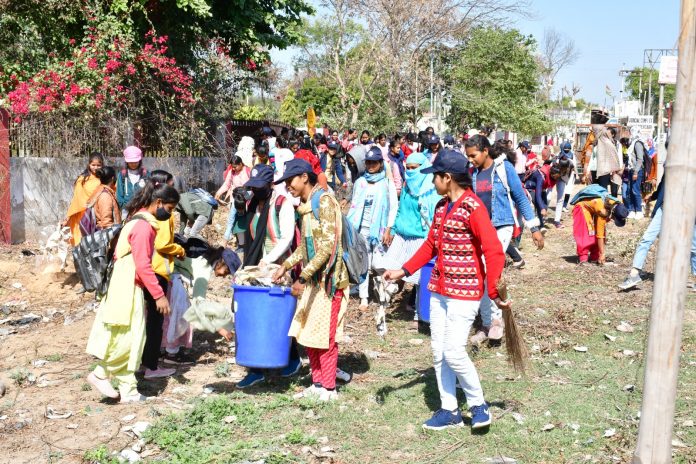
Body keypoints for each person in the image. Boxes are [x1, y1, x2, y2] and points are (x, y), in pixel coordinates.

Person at [382, 149, 507, 431]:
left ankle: (478, 405)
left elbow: (493, 250)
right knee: (438, 350)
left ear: (447, 178)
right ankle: (449, 409)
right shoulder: (441, 207)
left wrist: (495, 290)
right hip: (439, 289)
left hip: (465, 291)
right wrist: (402, 270)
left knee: (453, 351)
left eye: (435, 177)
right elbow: (430, 246)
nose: (432, 182)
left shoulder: (473, 208)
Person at [86, 180, 180, 403]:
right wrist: (158, 295)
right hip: (126, 286)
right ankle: (100, 373)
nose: (169, 214)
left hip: (126, 283)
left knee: (131, 335)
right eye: (169, 209)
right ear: (158, 202)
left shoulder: (136, 219)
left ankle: (128, 392)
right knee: (128, 336)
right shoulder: (143, 227)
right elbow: (143, 264)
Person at [272, 159, 350, 402]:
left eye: (290, 181)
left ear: (305, 177)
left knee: (325, 337)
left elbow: (327, 246)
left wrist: (303, 277)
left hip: (329, 281)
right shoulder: (306, 206)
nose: (288, 187)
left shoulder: (324, 201)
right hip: (313, 280)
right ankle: (317, 384)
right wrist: (286, 265)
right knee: (308, 334)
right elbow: (306, 251)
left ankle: (329, 388)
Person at [465, 136, 543, 342]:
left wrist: (534, 227)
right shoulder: (472, 173)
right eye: (468, 156)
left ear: (485, 151)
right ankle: (486, 322)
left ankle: (496, 321)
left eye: (473, 155)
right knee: (480, 273)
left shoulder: (503, 168)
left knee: (491, 270)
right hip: (480, 229)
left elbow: (520, 197)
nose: (470, 160)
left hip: (502, 225)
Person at [234, 164, 303, 388]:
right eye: (252, 187)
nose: (255, 191)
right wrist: (239, 210)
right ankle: (256, 367)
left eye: (259, 187)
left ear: (270, 184)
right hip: (257, 267)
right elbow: (245, 234)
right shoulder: (253, 203)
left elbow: (286, 237)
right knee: (255, 315)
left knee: (279, 316)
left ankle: (289, 358)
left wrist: (270, 260)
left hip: (279, 267)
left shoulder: (282, 204)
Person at [380, 152, 441, 326]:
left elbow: (433, 214)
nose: (411, 172)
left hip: (421, 236)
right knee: (391, 268)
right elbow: (400, 208)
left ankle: (418, 313)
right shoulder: (407, 186)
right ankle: (386, 304)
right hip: (402, 234)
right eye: (408, 168)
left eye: (415, 168)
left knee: (419, 278)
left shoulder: (431, 189)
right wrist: (393, 228)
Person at [144, 171, 190, 371]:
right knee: (156, 320)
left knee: (150, 319)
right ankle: (152, 365)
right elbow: (163, 243)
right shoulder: (163, 216)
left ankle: (147, 361)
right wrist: (179, 249)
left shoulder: (145, 211)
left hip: (152, 268)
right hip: (158, 270)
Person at [619, 172, 696, 290]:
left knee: (693, 248)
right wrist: (653, 196)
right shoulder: (670, 161)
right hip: (664, 207)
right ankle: (634, 274)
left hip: (687, 209)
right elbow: (663, 184)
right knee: (646, 239)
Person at [347, 147, 398, 312]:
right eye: (368, 162)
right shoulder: (360, 182)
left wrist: (389, 228)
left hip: (380, 230)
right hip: (361, 229)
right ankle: (364, 297)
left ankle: (384, 292)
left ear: (380, 163)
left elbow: (393, 208)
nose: (371, 165)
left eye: (374, 162)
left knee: (379, 264)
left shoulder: (386, 183)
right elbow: (354, 206)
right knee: (363, 263)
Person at [572, 186, 628, 264]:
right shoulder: (603, 211)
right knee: (587, 232)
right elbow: (600, 234)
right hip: (582, 207)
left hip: (594, 208)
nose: (613, 220)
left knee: (597, 231)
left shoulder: (617, 203)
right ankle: (583, 257)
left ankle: (595, 255)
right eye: (614, 219)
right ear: (613, 214)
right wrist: (602, 253)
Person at [63, 152, 104, 245]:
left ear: (102, 165)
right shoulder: (82, 179)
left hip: (99, 213)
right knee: (81, 240)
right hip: (82, 214)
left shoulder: (104, 178)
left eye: (99, 165)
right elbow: (77, 198)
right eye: (93, 165)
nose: (96, 167)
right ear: (89, 164)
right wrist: (68, 217)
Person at [216, 155, 251, 242]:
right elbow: (227, 184)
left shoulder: (248, 171)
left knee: (248, 220)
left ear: (240, 164)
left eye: (235, 167)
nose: (234, 169)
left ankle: (247, 242)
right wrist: (219, 193)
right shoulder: (232, 172)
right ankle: (227, 239)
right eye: (233, 167)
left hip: (247, 200)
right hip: (235, 199)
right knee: (231, 219)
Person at [87, 166, 122, 230]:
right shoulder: (105, 196)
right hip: (108, 234)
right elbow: (106, 223)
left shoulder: (100, 190)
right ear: (112, 178)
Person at [551, 142, 576, 228]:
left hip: (562, 179)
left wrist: (569, 162)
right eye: (565, 151)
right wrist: (556, 161)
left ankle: (557, 221)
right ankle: (541, 216)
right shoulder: (556, 157)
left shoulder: (572, 157)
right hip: (552, 178)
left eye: (568, 151)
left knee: (560, 199)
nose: (567, 153)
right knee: (547, 197)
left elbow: (574, 168)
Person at [116, 146, 148, 213]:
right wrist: (123, 206)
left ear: (140, 161)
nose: (133, 164)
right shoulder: (122, 175)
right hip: (126, 210)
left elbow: (149, 191)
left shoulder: (146, 174)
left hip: (142, 209)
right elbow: (119, 194)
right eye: (130, 162)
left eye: (135, 162)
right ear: (126, 162)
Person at [625, 128, 647, 219]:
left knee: (635, 191)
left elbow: (640, 159)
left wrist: (636, 172)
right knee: (630, 191)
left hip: (636, 171)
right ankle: (632, 210)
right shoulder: (632, 143)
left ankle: (639, 211)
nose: (629, 134)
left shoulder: (637, 143)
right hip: (631, 170)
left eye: (630, 132)